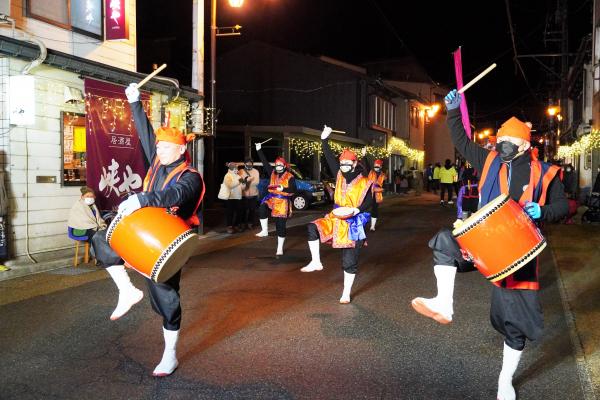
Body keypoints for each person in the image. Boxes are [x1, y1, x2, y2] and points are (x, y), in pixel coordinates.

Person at [411, 89, 568, 400]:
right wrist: (454, 111)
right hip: (482, 241)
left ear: (525, 145)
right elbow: (462, 142)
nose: (502, 146)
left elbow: (565, 206)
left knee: (514, 323)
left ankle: (504, 380)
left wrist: (544, 211)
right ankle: (444, 303)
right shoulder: (489, 159)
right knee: (444, 241)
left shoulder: (544, 172)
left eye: (509, 142)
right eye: (500, 140)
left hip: (517, 253)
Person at [90, 82, 204, 377]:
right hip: (142, 232)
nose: (160, 151)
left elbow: (174, 196)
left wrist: (142, 198)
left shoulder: (191, 177)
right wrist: (134, 103)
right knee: (102, 239)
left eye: (166, 147)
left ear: (181, 148)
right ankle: (127, 291)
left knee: (165, 297)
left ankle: (170, 354)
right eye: (160, 147)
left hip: (166, 242)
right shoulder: (157, 161)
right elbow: (145, 133)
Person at [300, 125, 373, 304]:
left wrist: (357, 210)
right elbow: (329, 157)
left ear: (355, 163)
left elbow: (370, 202)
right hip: (335, 216)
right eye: (342, 164)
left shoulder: (365, 182)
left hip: (354, 222)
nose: (343, 166)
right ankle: (316, 262)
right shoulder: (339, 174)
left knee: (349, 261)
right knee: (312, 228)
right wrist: (324, 139)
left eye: (347, 164)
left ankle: (346, 292)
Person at [254, 142, 297, 256]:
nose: (277, 168)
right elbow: (265, 163)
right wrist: (259, 150)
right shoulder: (272, 173)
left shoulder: (290, 177)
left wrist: (283, 188)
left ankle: (280, 248)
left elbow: (293, 190)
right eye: (276, 165)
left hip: (283, 202)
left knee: (280, 226)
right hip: (272, 199)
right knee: (262, 207)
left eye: (280, 166)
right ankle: (264, 230)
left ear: (284, 166)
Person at [222, 162, 243, 234]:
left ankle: (236, 225)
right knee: (230, 212)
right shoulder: (227, 175)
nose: (236, 169)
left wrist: (244, 183)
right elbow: (229, 185)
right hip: (230, 197)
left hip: (238, 196)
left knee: (239, 212)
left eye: (237, 168)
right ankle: (229, 226)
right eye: (235, 168)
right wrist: (239, 181)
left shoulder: (238, 176)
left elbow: (242, 187)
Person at [241, 158, 260, 230]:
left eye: (250, 163)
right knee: (243, 210)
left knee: (252, 210)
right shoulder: (241, 171)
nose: (249, 165)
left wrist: (246, 181)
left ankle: (250, 223)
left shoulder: (256, 171)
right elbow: (240, 182)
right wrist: (248, 180)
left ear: (252, 164)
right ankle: (242, 224)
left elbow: (256, 182)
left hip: (253, 194)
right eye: (247, 163)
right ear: (245, 164)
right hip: (243, 194)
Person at [367, 158, 386, 231]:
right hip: (368, 193)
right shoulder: (371, 172)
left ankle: (372, 226)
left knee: (374, 210)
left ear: (380, 167)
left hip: (377, 194)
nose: (376, 167)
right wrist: (365, 156)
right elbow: (367, 165)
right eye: (375, 166)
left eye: (378, 166)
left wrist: (382, 189)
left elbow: (383, 185)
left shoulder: (383, 175)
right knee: (364, 208)